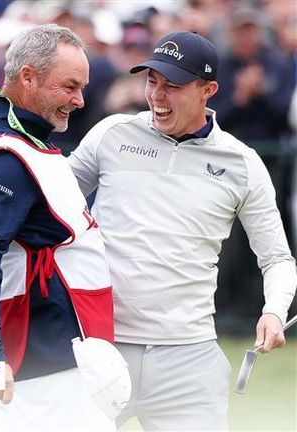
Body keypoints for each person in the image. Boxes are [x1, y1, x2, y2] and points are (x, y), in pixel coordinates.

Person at [69, 31, 297, 430]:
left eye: (173, 86)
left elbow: (277, 257)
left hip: (188, 358)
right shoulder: (111, 134)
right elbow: (51, 201)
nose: (157, 96)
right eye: (151, 81)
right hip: (100, 345)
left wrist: (274, 311)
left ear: (208, 90)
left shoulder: (242, 163)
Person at [0, 24, 121, 430]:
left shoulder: (18, 135)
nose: (79, 100)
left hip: (61, 354)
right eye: (69, 86)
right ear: (27, 77)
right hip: (44, 362)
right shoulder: (6, 157)